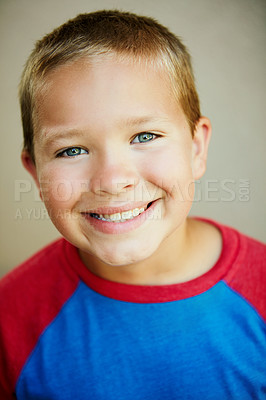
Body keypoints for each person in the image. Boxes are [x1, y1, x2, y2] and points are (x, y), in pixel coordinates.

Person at [0, 9, 265, 400]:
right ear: (36, 172)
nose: (111, 181)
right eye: (72, 149)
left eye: (144, 136)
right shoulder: (10, 316)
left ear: (196, 148)